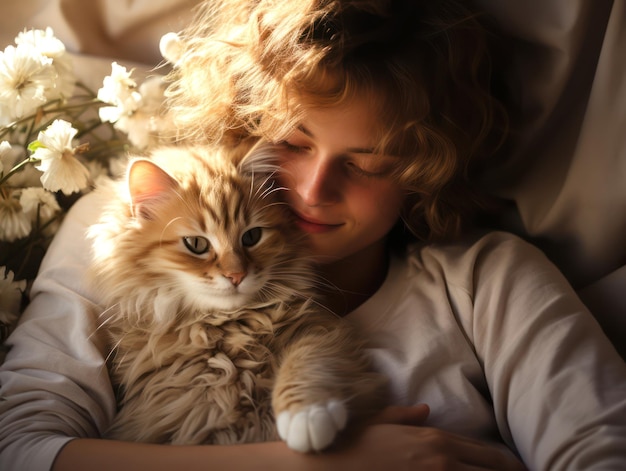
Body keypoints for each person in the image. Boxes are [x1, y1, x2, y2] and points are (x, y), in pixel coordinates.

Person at [1, 0, 625, 470]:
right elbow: (21, 448)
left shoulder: (488, 280)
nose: (311, 189)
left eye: (368, 163)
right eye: (292, 143)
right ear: (243, 120)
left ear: (421, 171)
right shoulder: (119, 226)